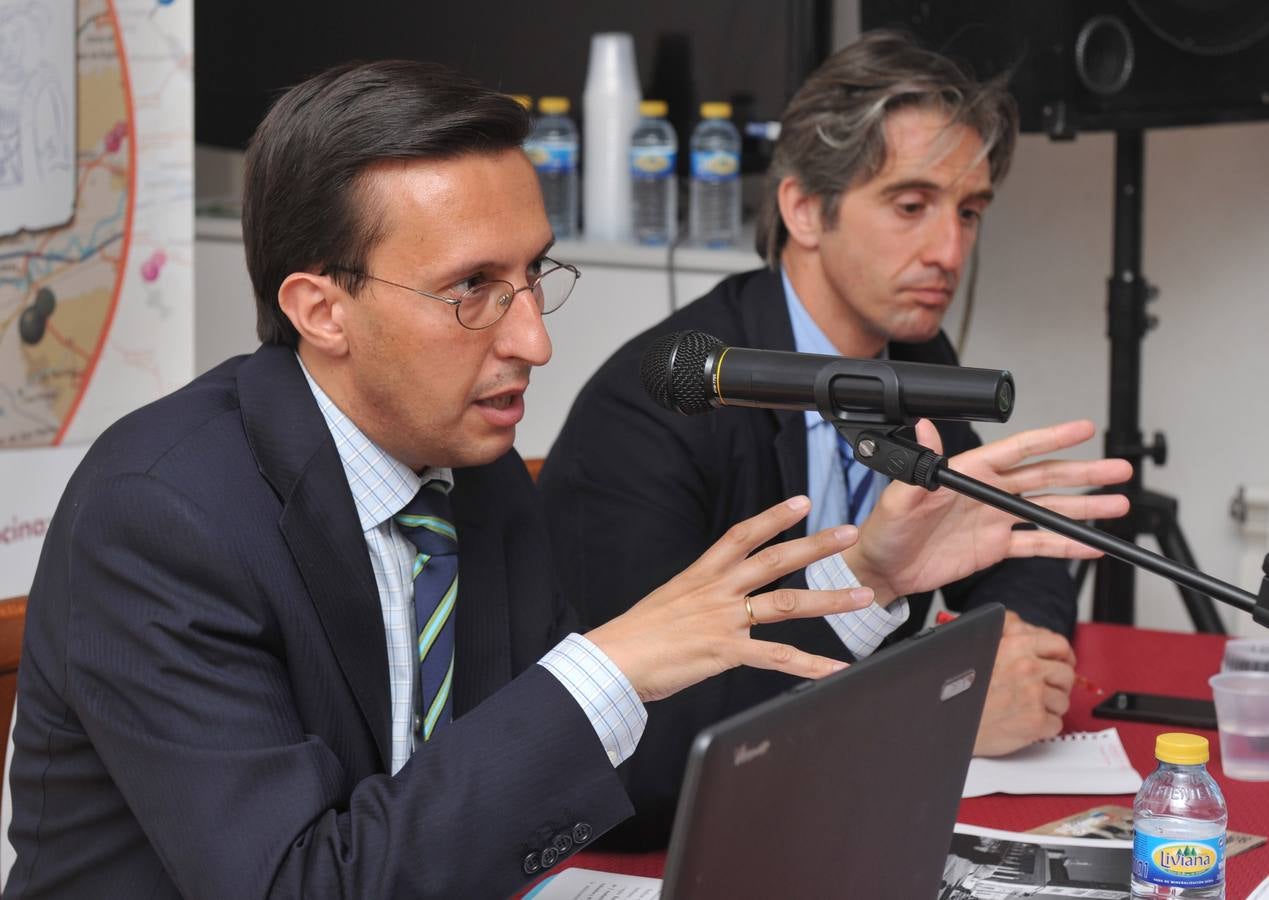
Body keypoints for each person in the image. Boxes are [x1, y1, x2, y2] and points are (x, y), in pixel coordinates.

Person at [6, 60, 1125, 899]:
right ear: (319, 308)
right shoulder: (163, 516)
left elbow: (523, 803)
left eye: (534, 276)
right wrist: (606, 668)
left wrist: (869, 590)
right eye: (473, 290)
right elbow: (303, 885)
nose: (534, 341)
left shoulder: (470, 471)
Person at [538, 30, 1122, 848]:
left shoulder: (916, 355)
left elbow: (1004, 542)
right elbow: (638, 744)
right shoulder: (656, 407)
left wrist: (1019, 647)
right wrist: (935, 709)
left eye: (968, 212)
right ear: (803, 209)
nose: (948, 251)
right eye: (911, 206)